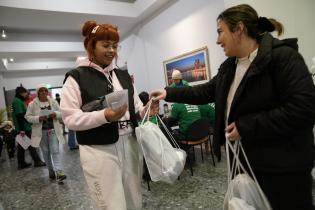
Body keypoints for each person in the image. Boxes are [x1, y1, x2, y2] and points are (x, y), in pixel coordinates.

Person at [151, 4, 315, 210]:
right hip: (245, 162)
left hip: (283, 168)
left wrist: (246, 126)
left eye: (220, 31)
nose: (217, 40)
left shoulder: (283, 58)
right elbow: (204, 91)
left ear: (239, 29)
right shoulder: (231, 66)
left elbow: (304, 109)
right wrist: (168, 92)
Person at [60, 20, 158, 210]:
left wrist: (147, 110)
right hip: (99, 150)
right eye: (105, 45)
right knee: (111, 204)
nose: (112, 50)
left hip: (130, 144)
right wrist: (104, 115)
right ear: (91, 46)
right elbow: (70, 119)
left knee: (134, 199)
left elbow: (136, 108)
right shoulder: (76, 77)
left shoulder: (122, 76)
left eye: (114, 46)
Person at [25, 84, 67, 182]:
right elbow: (27, 117)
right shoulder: (32, 104)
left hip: (53, 131)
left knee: (55, 150)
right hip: (41, 133)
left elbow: (61, 113)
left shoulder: (53, 102)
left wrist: (55, 114)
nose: (44, 92)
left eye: (45, 90)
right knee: (46, 152)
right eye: (41, 91)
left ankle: (59, 172)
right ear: (38, 93)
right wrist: (38, 118)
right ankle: (51, 171)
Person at [12, 86, 46, 170]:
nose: (27, 94)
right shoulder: (17, 101)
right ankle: (37, 161)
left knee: (22, 146)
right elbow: (20, 116)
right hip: (23, 128)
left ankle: (21, 163)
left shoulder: (18, 101)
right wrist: (22, 129)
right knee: (31, 145)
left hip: (22, 128)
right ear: (21, 93)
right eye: (25, 93)